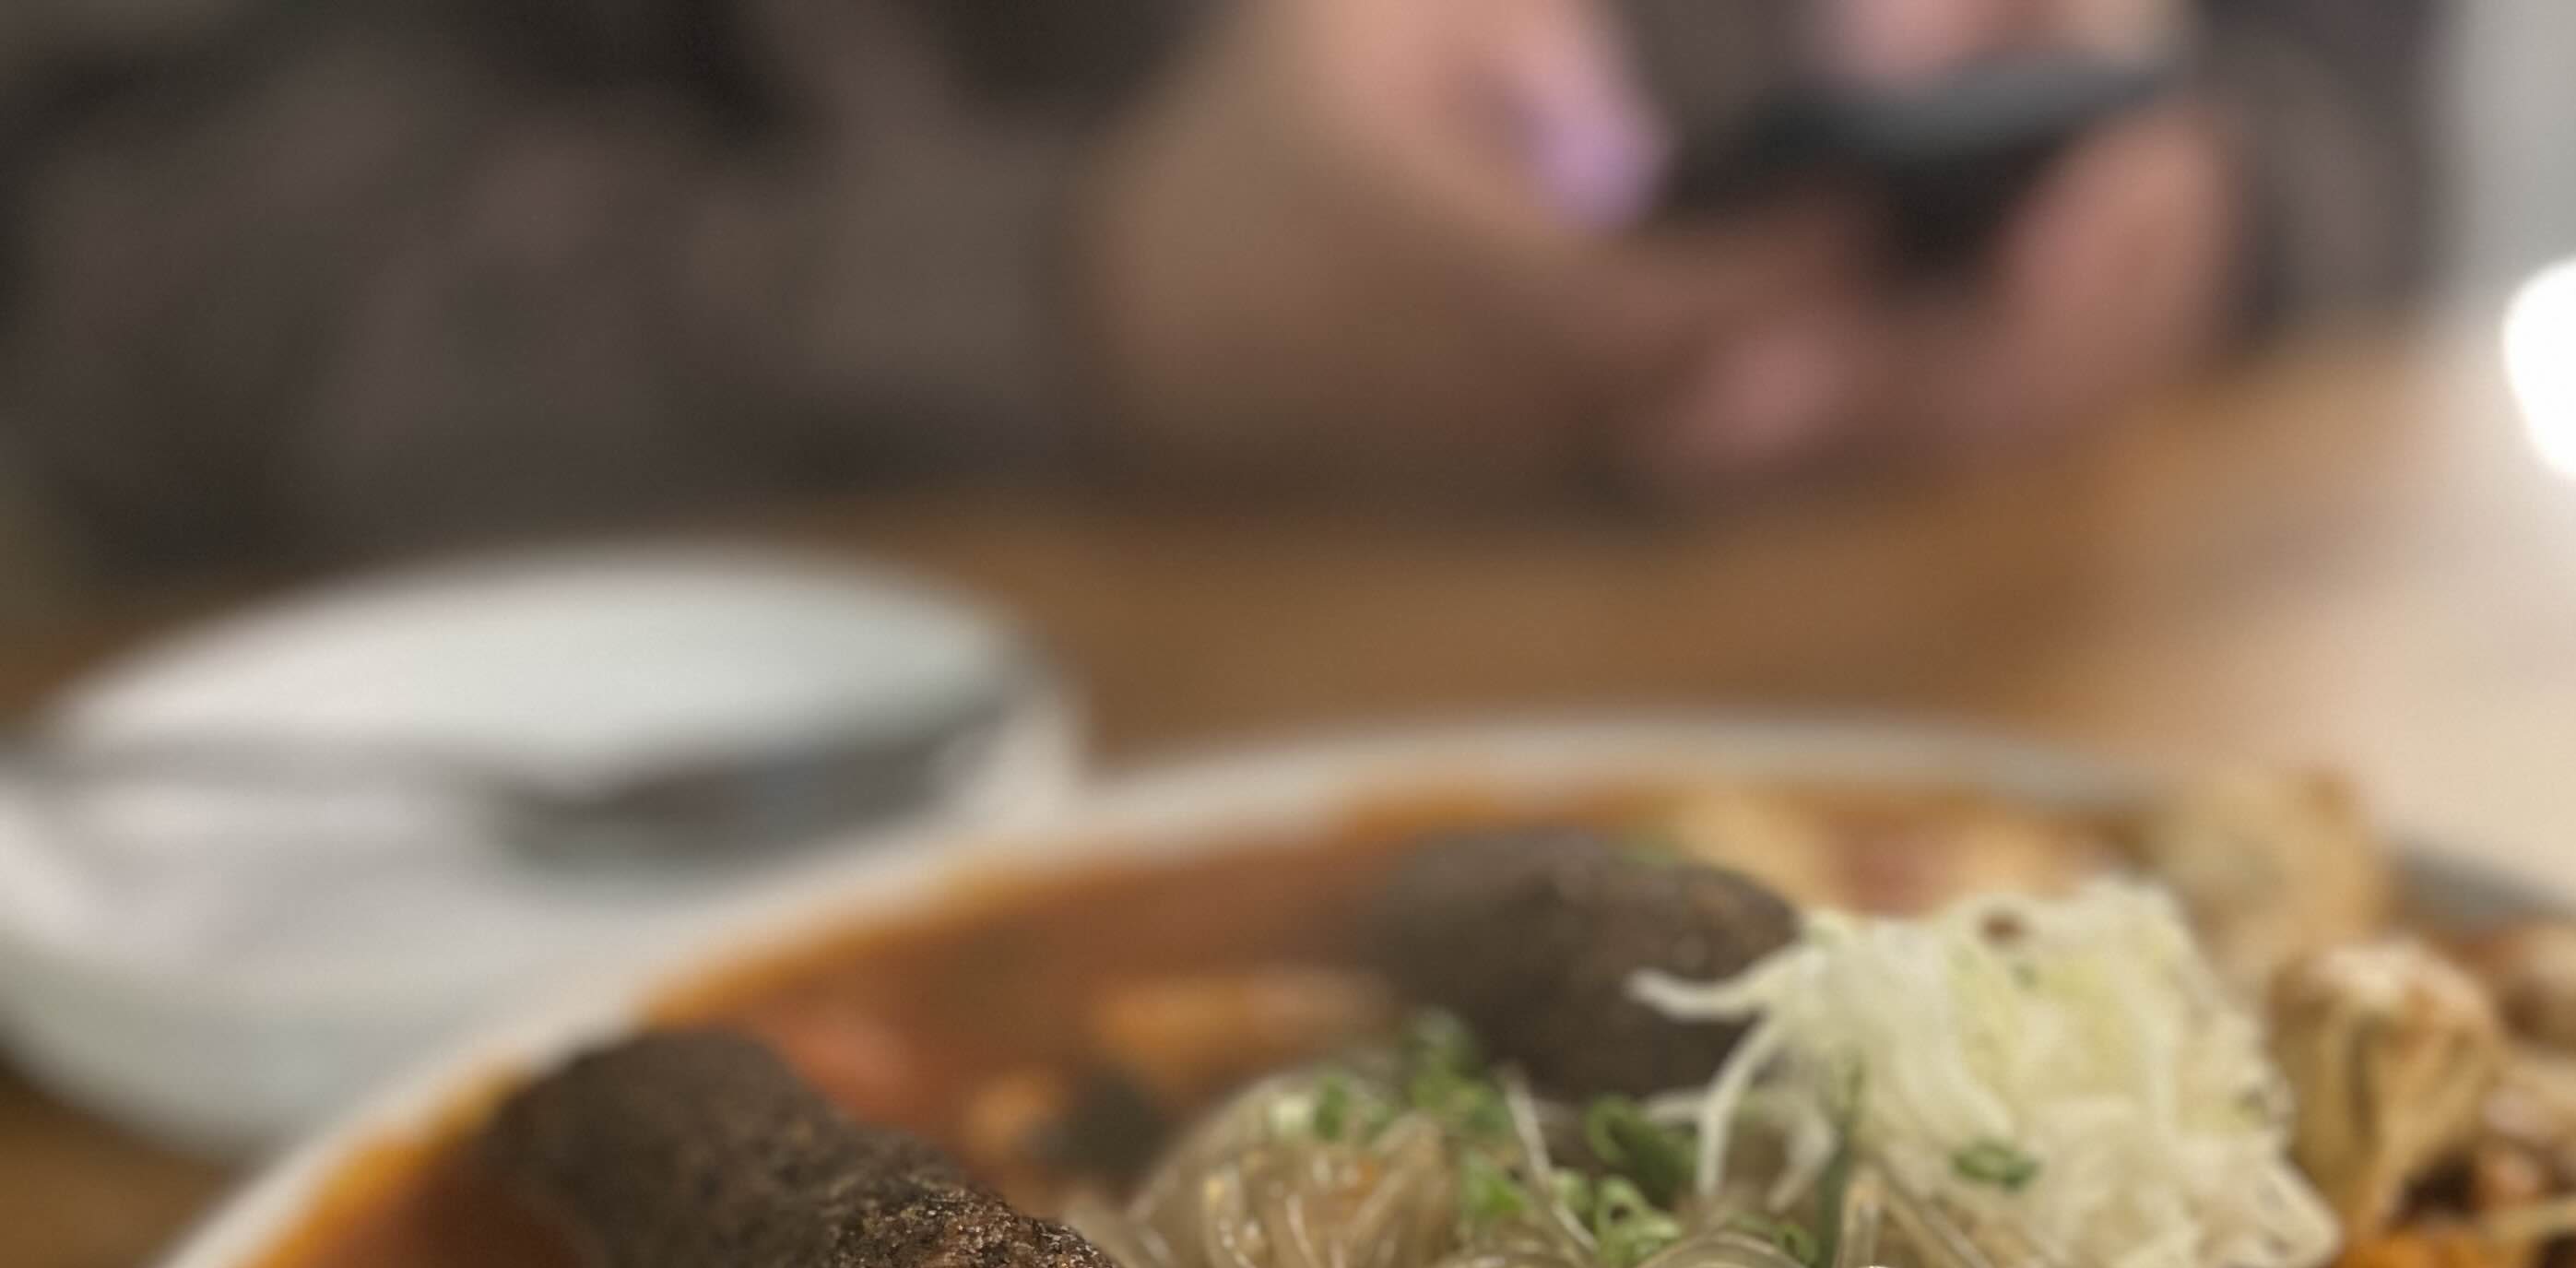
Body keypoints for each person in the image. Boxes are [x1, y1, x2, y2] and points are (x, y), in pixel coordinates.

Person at [0, 0, 2445, 565]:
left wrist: (2198, 196)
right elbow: (112, 241)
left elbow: (2354, 77)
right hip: (833, 736)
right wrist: (1071, 297)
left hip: (2021, 629)